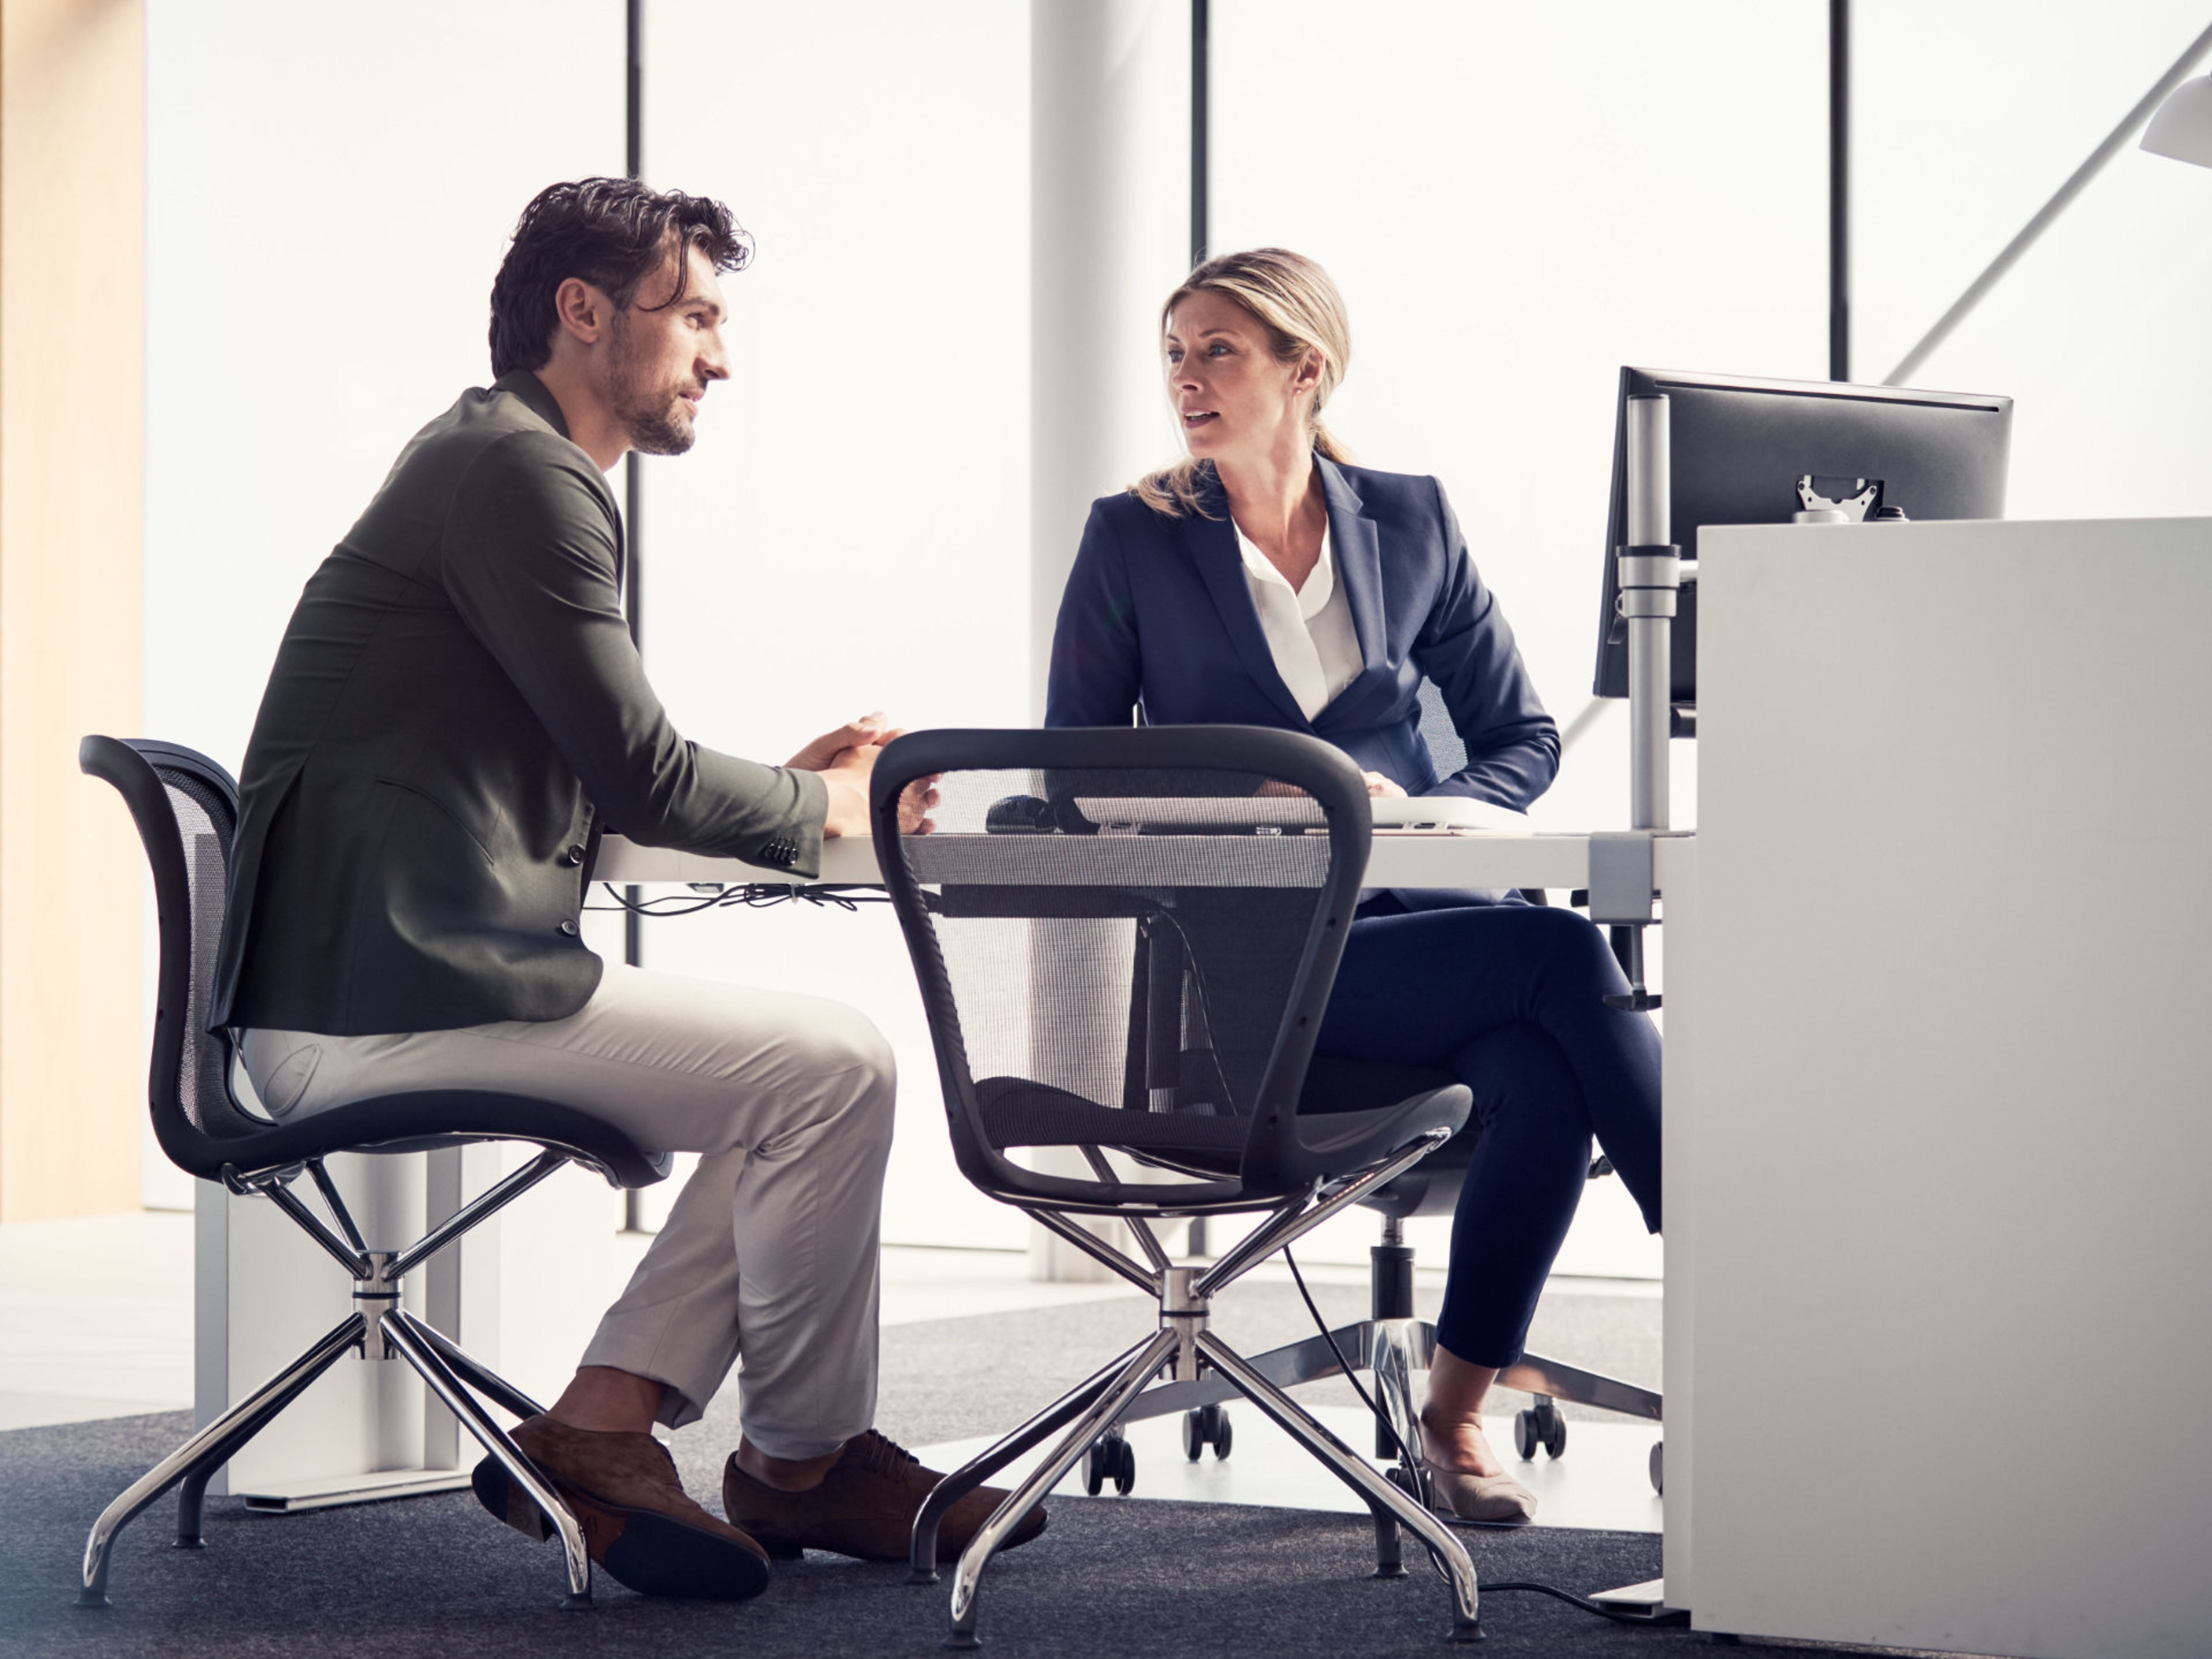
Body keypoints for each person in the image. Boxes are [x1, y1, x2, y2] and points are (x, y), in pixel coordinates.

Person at [209, 178, 1039, 1601]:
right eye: (696, 314)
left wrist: (778, 785)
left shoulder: (494, 463)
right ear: (582, 312)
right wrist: (834, 802)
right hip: (382, 1002)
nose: (721, 355)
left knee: (803, 1082)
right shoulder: (522, 476)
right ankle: (792, 1460)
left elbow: (585, 779)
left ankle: (622, 1428)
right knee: (834, 1071)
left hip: (379, 977)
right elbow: (645, 777)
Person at [1046, 248, 1661, 1524]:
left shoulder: (1411, 521)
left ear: (1304, 370)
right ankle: (1743, 1281)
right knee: (1557, 963)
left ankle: (1451, 1419)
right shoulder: (1134, 539)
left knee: (1539, 1072)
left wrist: (1431, 815)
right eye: (1173, 352)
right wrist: (1254, 800)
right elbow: (1072, 773)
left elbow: (1523, 739)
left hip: (1422, 933)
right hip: (1248, 975)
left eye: (1218, 350)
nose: (1185, 379)